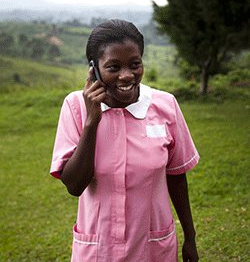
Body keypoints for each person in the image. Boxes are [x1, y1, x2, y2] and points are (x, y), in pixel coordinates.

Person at [50, 19, 200, 262]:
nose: (127, 75)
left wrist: (190, 238)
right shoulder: (75, 106)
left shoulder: (166, 105)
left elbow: (176, 176)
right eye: (113, 67)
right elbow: (74, 186)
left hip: (153, 248)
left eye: (134, 64)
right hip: (99, 251)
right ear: (94, 69)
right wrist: (92, 121)